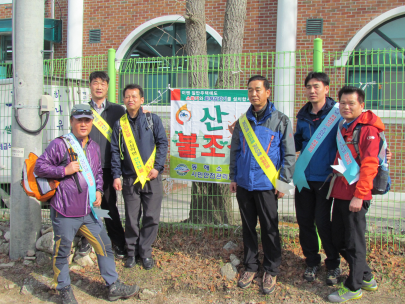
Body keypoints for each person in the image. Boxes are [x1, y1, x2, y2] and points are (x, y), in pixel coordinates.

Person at [34, 104, 139, 304]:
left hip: (90, 210)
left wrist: (99, 190)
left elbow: (98, 173)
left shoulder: (93, 146)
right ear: (72, 121)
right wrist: (64, 171)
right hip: (65, 209)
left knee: (105, 246)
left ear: (92, 123)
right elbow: (40, 166)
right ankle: (64, 288)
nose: (83, 124)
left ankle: (113, 285)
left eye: (87, 120)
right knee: (62, 250)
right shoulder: (60, 144)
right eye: (79, 120)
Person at [229, 75, 296, 295]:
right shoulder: (242, 122)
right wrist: (233, 177)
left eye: (258, 90)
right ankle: (250, 266)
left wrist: (283, 181)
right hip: (245, 185)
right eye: (250, 90)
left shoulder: (281, 120)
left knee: (269, 228)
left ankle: (271, 268)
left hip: (267, 185)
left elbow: (288, 154)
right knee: (248, 228)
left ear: (268, 92)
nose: (253, 94)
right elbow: (235, 151)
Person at [327, 86, 382, 303]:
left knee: (354, 242)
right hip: (341, 192)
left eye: (351, 103)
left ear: (362, 105)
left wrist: (360, 195)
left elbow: (370, 164)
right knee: (339, 239)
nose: (346, 107)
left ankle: (354, 286)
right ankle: (366, 276)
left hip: (355, 196)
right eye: (342, 103)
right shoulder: (345, 126)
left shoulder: (367, 130)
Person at [110, 84, 168, 270]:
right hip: (129, 179)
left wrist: (158, 167)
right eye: (127, 97)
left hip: (152, 177)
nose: (130, 100)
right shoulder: (120, 125)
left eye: (134, 96)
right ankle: (131, 252)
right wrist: (116, 175)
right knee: (132, 217)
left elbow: (162, 144)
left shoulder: (153, 120)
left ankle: (145, 252)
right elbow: (114, 151)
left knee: (151, 216)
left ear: (142, 100)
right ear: (124, 100)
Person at [293, 72, 341, 284]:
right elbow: (296, 142)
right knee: (304, 221)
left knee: (323, 223)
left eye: (316, 87)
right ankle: (312, 260)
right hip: (303, 178)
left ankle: (333, 264)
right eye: (309, 87)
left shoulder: (337, 115)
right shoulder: (302, 116)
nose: (312, 91)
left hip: (326, 178)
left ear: (326, 89)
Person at [76, 71, 127, 259]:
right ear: (90, 85)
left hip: (107, 167)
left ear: (107, 86)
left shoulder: (117, 111)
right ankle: (87, 239)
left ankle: (117, 242)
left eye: (103, 83)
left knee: (108, 205)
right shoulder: (82, 109)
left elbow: (126, 135)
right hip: (85, 166)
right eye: (95, 83)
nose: (99, 86)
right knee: (87, 204)